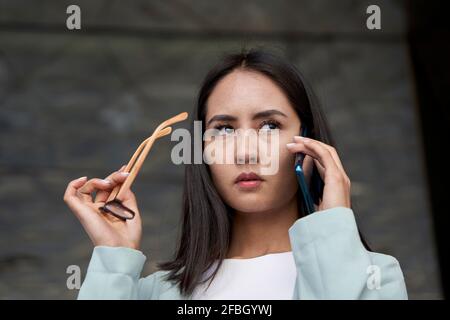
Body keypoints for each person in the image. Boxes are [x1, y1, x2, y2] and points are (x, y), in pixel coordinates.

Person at [63, 49, 408, 299]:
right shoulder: (152, 293)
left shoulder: (375, 278)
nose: (245, 150)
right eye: (224, 130)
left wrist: (333, 228)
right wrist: (112, 260)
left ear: (309, 144)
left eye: (270, 126)